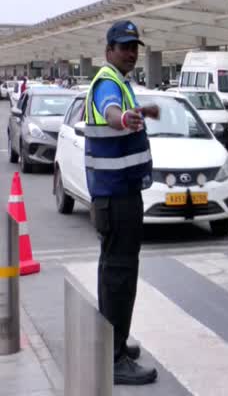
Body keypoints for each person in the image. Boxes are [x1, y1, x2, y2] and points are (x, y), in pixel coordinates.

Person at [85, 21, 159, 386]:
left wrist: (136, 114)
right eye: (124, 46)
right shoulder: (107, 84)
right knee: (120, 274)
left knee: (113, 270)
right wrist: (124, 118)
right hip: (117, 195)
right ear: (109, 50)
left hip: (117, 193)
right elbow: (111, 112)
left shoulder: (120, 82)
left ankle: (112, 341)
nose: (131, 52)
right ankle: (114, 357)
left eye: (135, 46)